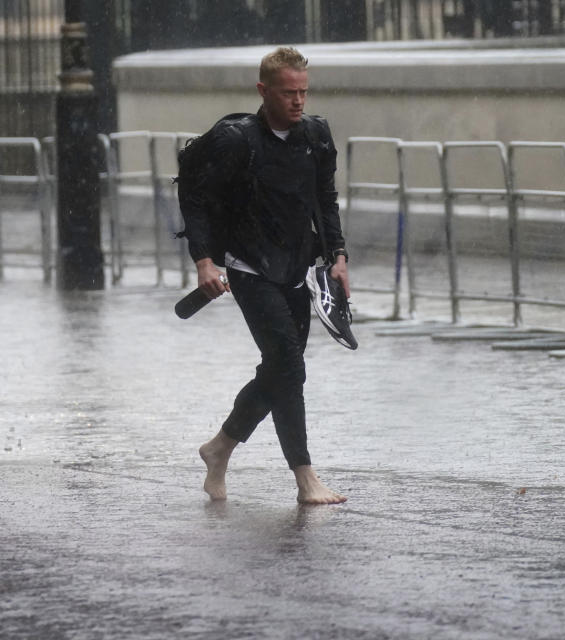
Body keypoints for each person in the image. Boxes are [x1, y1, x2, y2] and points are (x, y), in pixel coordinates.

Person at [180, 47, 350, 505]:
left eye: (303, 92)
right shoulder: (237, 139)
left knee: (279, 369)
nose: (298, 102)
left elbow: (326, 197)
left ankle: (219, 448)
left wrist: (338, 255)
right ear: (263, 91)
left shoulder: (315, 135)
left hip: (298, 268)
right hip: (248, 268)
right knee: (290, 366)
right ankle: (305, 479)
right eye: (288, 93)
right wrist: (203, 260)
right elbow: (194, 197)